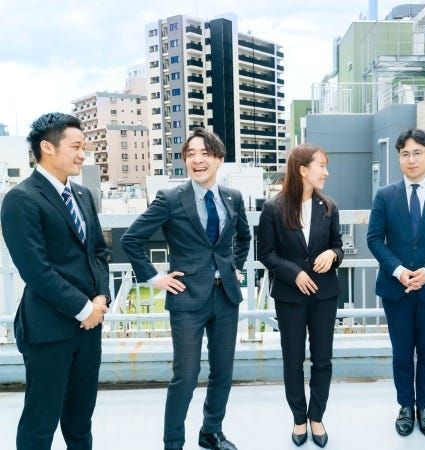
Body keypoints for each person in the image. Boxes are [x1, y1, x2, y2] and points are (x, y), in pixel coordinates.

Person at [120, 128, 251, 450]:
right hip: (186, 298)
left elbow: (244, 237)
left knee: (223, 372)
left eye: (205, 153)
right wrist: (155, 278)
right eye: (191, 154)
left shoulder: (232, 197)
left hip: (226, 297)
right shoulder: (170, 198)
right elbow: (131, 240)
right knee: (186, 376)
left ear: (219, 159)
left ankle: (211, 432)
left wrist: (235, 266)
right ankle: (173, 442)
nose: (197, 159)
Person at [0, 112, 110, 450]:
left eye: (83, 147)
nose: (82, 155)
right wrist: (84, 308)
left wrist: (101, 298)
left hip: (89, 329)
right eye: (75, 147)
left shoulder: (83, 195)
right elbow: (36, 270)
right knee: (41, 421)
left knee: (80, 420)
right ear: (48, 147)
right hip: (48, 329)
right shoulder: (21, 199)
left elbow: (98, 252)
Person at [367, 128, 425, 439]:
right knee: (402, 353)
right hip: (396, 289)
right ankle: (406, 406)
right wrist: (398, 271)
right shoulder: (385, 195)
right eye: (405, 154)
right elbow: (374, 239)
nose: (411, 159)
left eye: (418, 153)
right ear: (399, 158)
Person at [257, 143, 344, 448]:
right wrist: (294, 273)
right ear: (303, 169)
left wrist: (333, 255)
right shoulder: (274, 208)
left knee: (322, 359)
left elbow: (338, 246)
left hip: (324, 295)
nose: (326, 172)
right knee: (292, 359)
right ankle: (298, 418)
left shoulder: (329, 207)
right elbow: (266, 253)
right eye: (322, 165)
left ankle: (316, 417)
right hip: (290, 297)